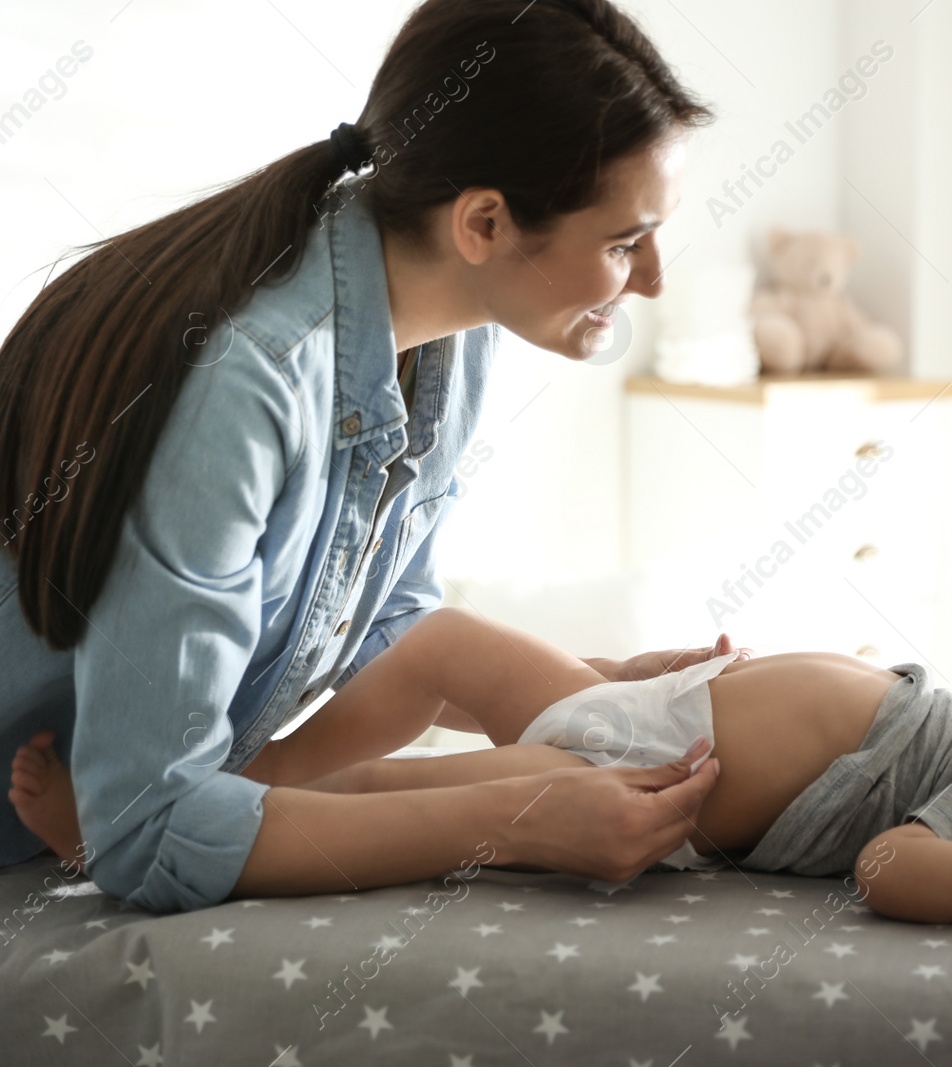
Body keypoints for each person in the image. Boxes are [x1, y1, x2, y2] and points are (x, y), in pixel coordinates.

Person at [0, 0, 738, 913]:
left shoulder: (449, 328)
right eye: (626, 242)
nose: (655, 279)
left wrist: (592, 691)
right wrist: (518, 821)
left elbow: (382, 616)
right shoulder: (247, 386)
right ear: (484, 224)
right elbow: (149, 831)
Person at [13, 611, 952, 924]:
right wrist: (648, 670)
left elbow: (891, 866)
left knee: (374, 800)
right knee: (437, 641)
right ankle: (224, 770)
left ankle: (127, 834)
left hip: (630, 778)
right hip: (650, 709)